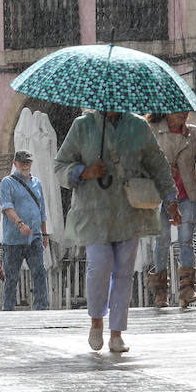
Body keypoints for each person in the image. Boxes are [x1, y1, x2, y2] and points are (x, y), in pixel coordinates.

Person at [55, 110, 179, 354]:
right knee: (99, 266)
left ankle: (117, 333)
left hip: (128, 211)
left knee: (123, 271)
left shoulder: (138, 126)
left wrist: (171, 198)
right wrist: (83, 171)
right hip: (94, 212)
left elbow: (157, 164)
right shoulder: (83, 126)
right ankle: (96, 321)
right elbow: (60, 165)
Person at [146, 111, 196, 308]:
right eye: (179, 111)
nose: (184, 115)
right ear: (167, 112)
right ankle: (160, 291)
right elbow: (141, 160)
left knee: (186, 240)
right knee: (162, 240)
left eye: (186, 111)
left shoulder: (195, 135)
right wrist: (159, 169)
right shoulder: (152, 131)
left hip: (187, 194)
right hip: (159, 195)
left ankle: (187, 289)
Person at [0, 150, 50, 311]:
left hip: (35, 237)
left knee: (39, 272)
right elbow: (7, 207)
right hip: (13, 239)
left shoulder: (37, 183)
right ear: (15, 164)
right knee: (11, 277)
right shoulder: (7, 182)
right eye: (22, 162)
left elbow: (42, 211)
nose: (25, 165)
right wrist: (20, 224)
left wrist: (45, 233)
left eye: (28, 162)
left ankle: (41, 307)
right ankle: (8, 309)